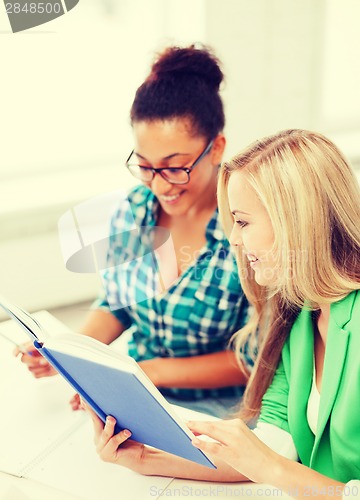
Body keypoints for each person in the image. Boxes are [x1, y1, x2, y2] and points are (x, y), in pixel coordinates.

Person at [83, 129, 360, 495]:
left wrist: (274, 469)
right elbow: (271, 446)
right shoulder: (302, 315)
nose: (233, 239)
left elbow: (271, 463)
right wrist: (146, 459)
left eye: (243, 221)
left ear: (296, 221)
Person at [15, 44, 252, 418]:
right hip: (140, 396)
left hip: (221, 414)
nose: (159, 186)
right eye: (145, 166)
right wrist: (69, 352)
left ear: (217, 147)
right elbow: (116, 302)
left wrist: (145, 372)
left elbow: (254, 358)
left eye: (176, 167)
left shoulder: (249, 228)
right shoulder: (133, 210)